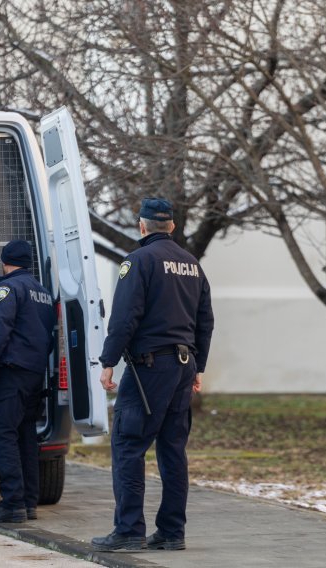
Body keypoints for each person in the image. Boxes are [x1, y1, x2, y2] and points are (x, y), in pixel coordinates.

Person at [91, 198, 214, 552]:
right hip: (183, 365)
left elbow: (125, 316)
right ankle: (172, 532)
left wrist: (109, 360)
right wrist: (198, 367)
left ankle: (128, 531)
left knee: (128, 445)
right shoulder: (193, 265)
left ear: (141, 226)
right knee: (173, 450)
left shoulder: (138, 261)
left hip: (149, 367)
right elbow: (206, 321)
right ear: (172, 226)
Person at [0, 240, 56, 524]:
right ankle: (28, 501)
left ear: (5, 261)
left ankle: (12, 503)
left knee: (4, 434)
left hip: (11, 372)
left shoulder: (8, 289)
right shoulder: (42, 292)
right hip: (34, 373)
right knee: (25, 436)